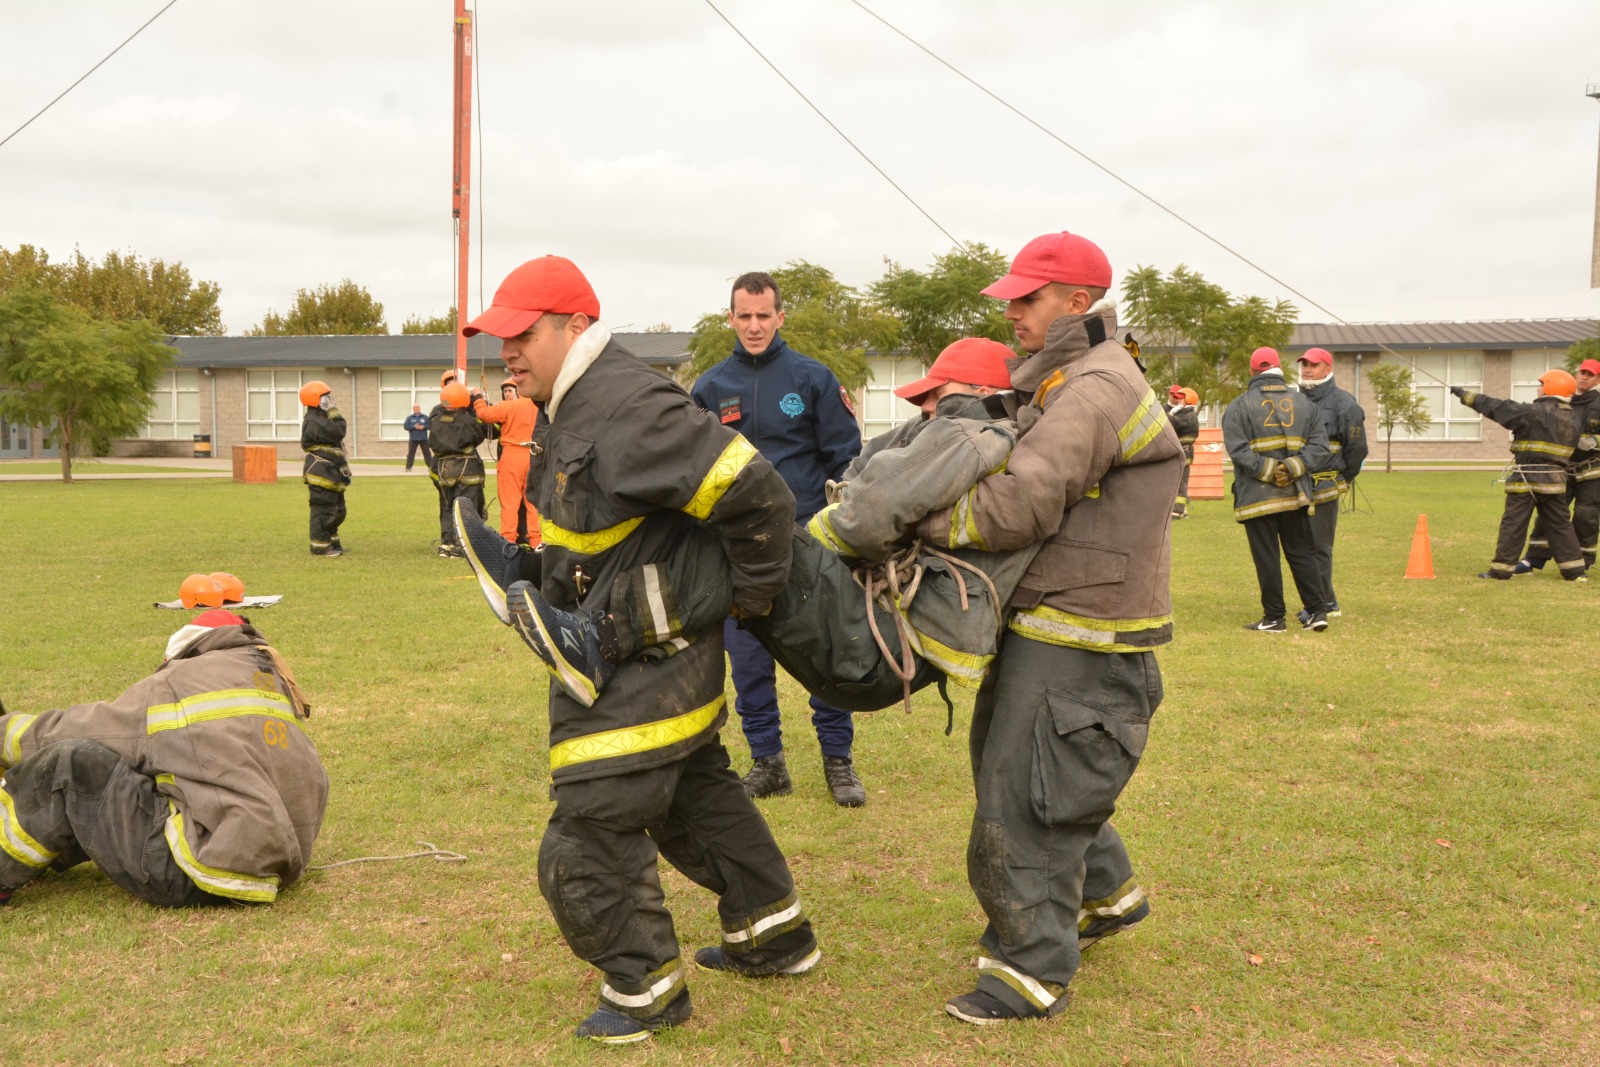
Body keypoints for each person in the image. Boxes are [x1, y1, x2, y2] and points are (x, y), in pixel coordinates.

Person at [460, 255, 820, 1045]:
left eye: (522, 333)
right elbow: (605, 527)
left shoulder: (627, 404)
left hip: (651, 660)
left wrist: (749, 596)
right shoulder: (569, 401)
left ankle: (644, 986)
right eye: (501, 337)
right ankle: (773, 929)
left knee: (587, 826)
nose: (507, 352)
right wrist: (536, 573)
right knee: (694, 790)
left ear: (576, 326)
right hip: (648, 654)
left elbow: (761, 494)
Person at [913, 231, 1183, 1024]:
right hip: (1057, 618)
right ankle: (1105, 894)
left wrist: (919, 519)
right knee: (1033, 770)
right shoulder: (1070, 376)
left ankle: (1030, 969)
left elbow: (1024, 501)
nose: (1012, 310)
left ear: (1078, 301)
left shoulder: (1095, 387)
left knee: (1028, 790)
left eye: (1028, 298)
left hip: (1083, 630)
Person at [461, 336, 1025, 708]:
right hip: (868, 622)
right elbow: (860, 472)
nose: (924, 406)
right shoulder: (941, 432)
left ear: (981, 391)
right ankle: (543, 576)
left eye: (936, 394)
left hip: (883, 642)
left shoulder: (974, 433)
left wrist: (810, 537)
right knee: (714, 524)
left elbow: (865, 514)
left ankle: (600, 639)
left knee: (741, 534)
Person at [0, 605, 328, 907]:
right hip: (277, 867)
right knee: (141, 771)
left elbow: (73, 733)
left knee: (70, 764)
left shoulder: (175, 684)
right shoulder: (274, 686)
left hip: (202, 870)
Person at [689, 272, 866, 807]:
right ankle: (767, 763)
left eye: (764, 315)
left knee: (825, 654)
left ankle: (839, 762)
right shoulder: (710, 388)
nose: (754, 326)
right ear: (731, 318)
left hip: (809, 544)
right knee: (748, 663)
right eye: (744, 316)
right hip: (737, 547)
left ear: (780, 317)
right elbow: (694, 467)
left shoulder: (812, 378)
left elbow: (847, 462)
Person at [1222, 347, 1333, 632]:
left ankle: (1274, 618)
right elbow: (1321, 447)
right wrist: (1292, 468)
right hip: (1296, 494)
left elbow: (1238, 451)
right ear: (1280, 370)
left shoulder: (1238, 406)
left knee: (1267, 557)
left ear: (1252, 372)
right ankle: (1318, 611)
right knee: (1303, 553)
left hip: (1256, 498)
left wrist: (1270, 471)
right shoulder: (1307, 404)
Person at [1452, 370, 1586, 581]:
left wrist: (1465, 395)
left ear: (1551, 387)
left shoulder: (1533, 412)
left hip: (1526, 479)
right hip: (1555, 482)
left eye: (1542, 385)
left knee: (1514, 523)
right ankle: (1575, 571)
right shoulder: (1573, 419)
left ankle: (1502, 570)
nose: (1538, 388)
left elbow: (1497, 407)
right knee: (1560, 525)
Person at [1295, 348, 1367, 619]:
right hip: (1298, 482)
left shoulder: (1343, 403)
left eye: (1313, 365)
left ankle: (1323, 604)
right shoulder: (1295, 399)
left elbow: (1357, 449)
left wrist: (1343, 478)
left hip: (1325, 484)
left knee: (1319, 546)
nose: (1307, 370)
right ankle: (1324, 599)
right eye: (1303, 365)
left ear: (1327, 367)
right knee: (1302, 546)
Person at [1517, 357, 1600, 574]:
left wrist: (1593, 441)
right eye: (1582, 372)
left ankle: (1583, 562)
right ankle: (1532, 559)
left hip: (1592, 470)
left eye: (1590, 374)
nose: (1584, 377)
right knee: (1550, 511)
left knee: (1585, 515)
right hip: (1562, 467)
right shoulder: (1563, 401)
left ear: (1597, 379)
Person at [471, 377, 542, 547]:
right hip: (534, 455)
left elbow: (484, 415)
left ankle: (509, 542)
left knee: (510, 503)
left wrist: (478, 398)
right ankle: (536, 542)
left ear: (518, 391)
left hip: (512, 456)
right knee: (533, 503)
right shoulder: (539, 407)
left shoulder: (509, 406)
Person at [428, 376, 488, 558]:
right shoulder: (466, 420)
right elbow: (480, 435)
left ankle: (446, 544)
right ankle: (462, 545)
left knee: (447, 506)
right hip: (466, 469)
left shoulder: (436, 419)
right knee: (466, 507)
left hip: (445, 470)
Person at [299, 380, 350, 556]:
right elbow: (339, 429)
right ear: (315, 399)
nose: (329, 400)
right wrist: (333, 411)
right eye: (325, 397)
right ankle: (319, 547)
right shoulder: (314, 421)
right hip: (321, 470)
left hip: (330, 469)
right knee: (323, 508)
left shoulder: (320, 418)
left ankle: (333, 541)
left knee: (337, 509)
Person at [1166, 385, 1200, 519]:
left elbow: (1174, 423)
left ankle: (1179, 510)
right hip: (1180, 453)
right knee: (1176, 482)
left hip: (1184, 453)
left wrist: (1168, 414)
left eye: (1181, 399)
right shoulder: (1184, 414)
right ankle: (1180, 509)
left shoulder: (1190, 416)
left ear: (1188, 400)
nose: (1177, 401)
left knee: (1181, 483)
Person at [403, 404, 431, 472]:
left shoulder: (425, 417)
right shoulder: (410, 418)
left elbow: (430, 425)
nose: (416, 409)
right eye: (414, 408)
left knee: (427, 453)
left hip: (423, 438)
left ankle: (431, 467)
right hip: (413, 438)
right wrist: (413, 426)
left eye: (417, 407)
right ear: (413, 409)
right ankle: (408, 468)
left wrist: (424, 427)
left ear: (420, 408)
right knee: (411, 454)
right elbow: (406, 427)